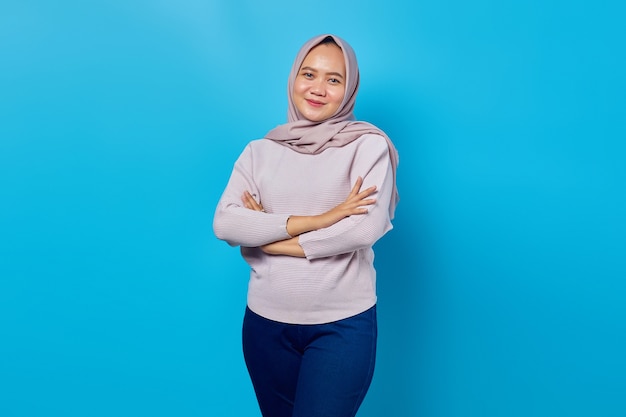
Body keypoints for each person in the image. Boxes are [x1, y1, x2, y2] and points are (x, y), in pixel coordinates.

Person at [213, 34, 399, 417]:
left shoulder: (367, 146)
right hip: (265, 325)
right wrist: (324, 219)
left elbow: (363, 229)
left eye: (334, 79)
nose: (318, 89)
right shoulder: (259, 152)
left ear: (349, 89)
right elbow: (227, 223)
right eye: (309, 74)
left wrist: (270, 237)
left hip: (342, 326)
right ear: (293, 78)